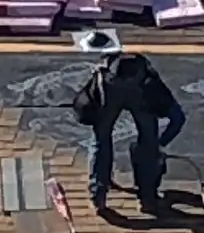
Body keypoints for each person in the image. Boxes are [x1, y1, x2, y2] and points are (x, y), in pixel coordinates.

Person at [70, 32, 186, 212]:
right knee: (148, 141)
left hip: (111, 89)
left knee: (101, 139)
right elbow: (177, 118)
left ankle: (98, 194)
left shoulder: (107, 76)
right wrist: (159, 145)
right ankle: (147, 197)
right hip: (141, 91)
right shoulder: (148, 82)